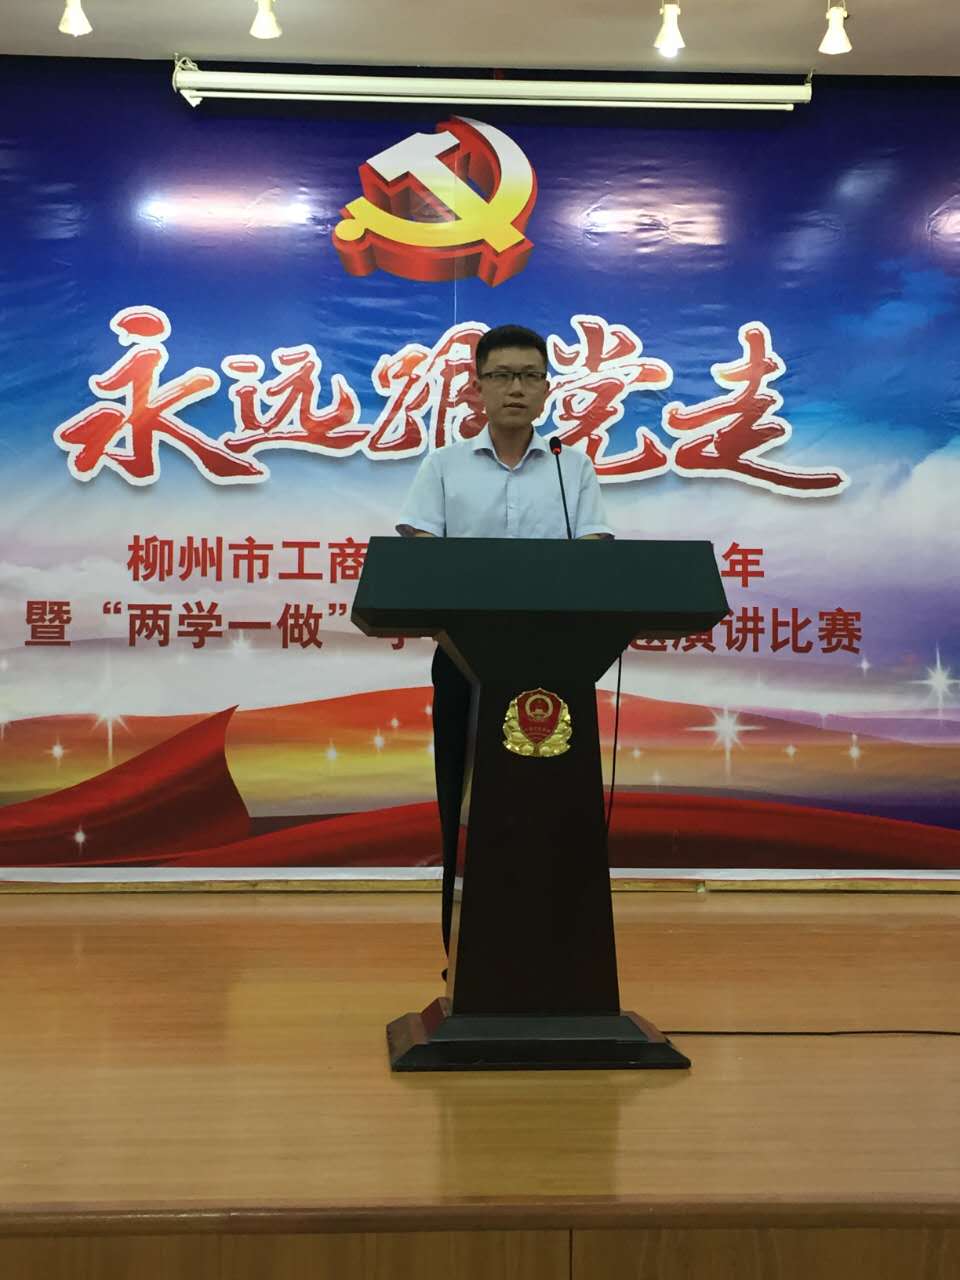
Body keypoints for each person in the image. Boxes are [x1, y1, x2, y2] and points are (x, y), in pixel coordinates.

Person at [396, 324, 613, 967]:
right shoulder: (444, 466)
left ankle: (560, 957)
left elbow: (594, 550)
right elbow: (421, 552)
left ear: (546, 388)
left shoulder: (573, 468)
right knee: (462, 800)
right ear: (479, 387)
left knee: (554, 807)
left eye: (529, 376)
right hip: (464, 663)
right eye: (502, 376)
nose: (516, 388)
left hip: (558, 667)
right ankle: (464, 957)